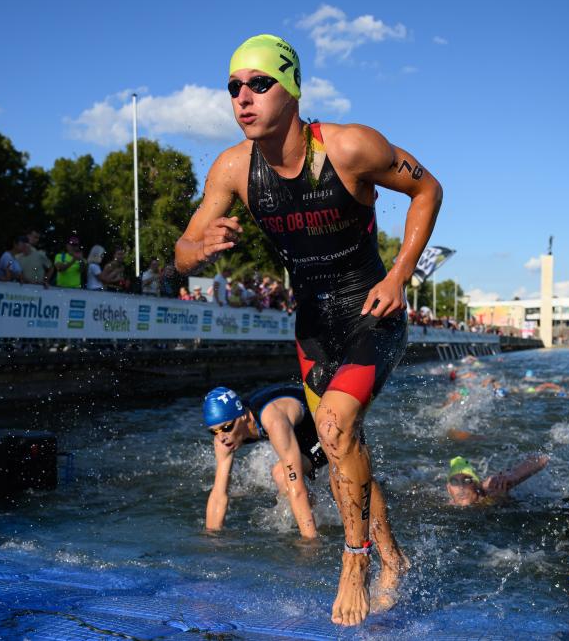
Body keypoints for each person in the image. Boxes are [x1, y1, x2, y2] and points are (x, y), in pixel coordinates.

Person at [174, 34, 442, 625]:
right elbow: (182, 249)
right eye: (233, 87)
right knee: (340, 447)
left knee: (337, 425)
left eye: (259, 84)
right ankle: (393, 557)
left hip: (374, 309)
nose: (243, 98)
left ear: (291, 89)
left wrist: (401, 275)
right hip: (313, 325)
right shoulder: (233, 169)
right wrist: (200, 251)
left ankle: (355, 561)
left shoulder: (349, 147)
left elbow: (427, 188)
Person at [202, 384, 326, 539]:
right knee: (286, 490)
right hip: (292, 430)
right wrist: (211, 541)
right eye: (214, 431)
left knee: (281, 475)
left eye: (227, 427)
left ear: (243, 416)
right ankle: (318, 511)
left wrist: (310, 542)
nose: (221, 437)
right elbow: (219, 494)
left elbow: (297, 488)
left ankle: (320, 524)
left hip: (321, 426)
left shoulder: (273, 421)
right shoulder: (223, 438)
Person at [446, 455, 549, 507]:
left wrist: (513, 476)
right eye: (454, 481)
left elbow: (541, 458)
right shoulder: (443, 508)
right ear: (449, 488)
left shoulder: (492, 490)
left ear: (477, 484)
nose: (461, 487)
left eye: (467, 480)